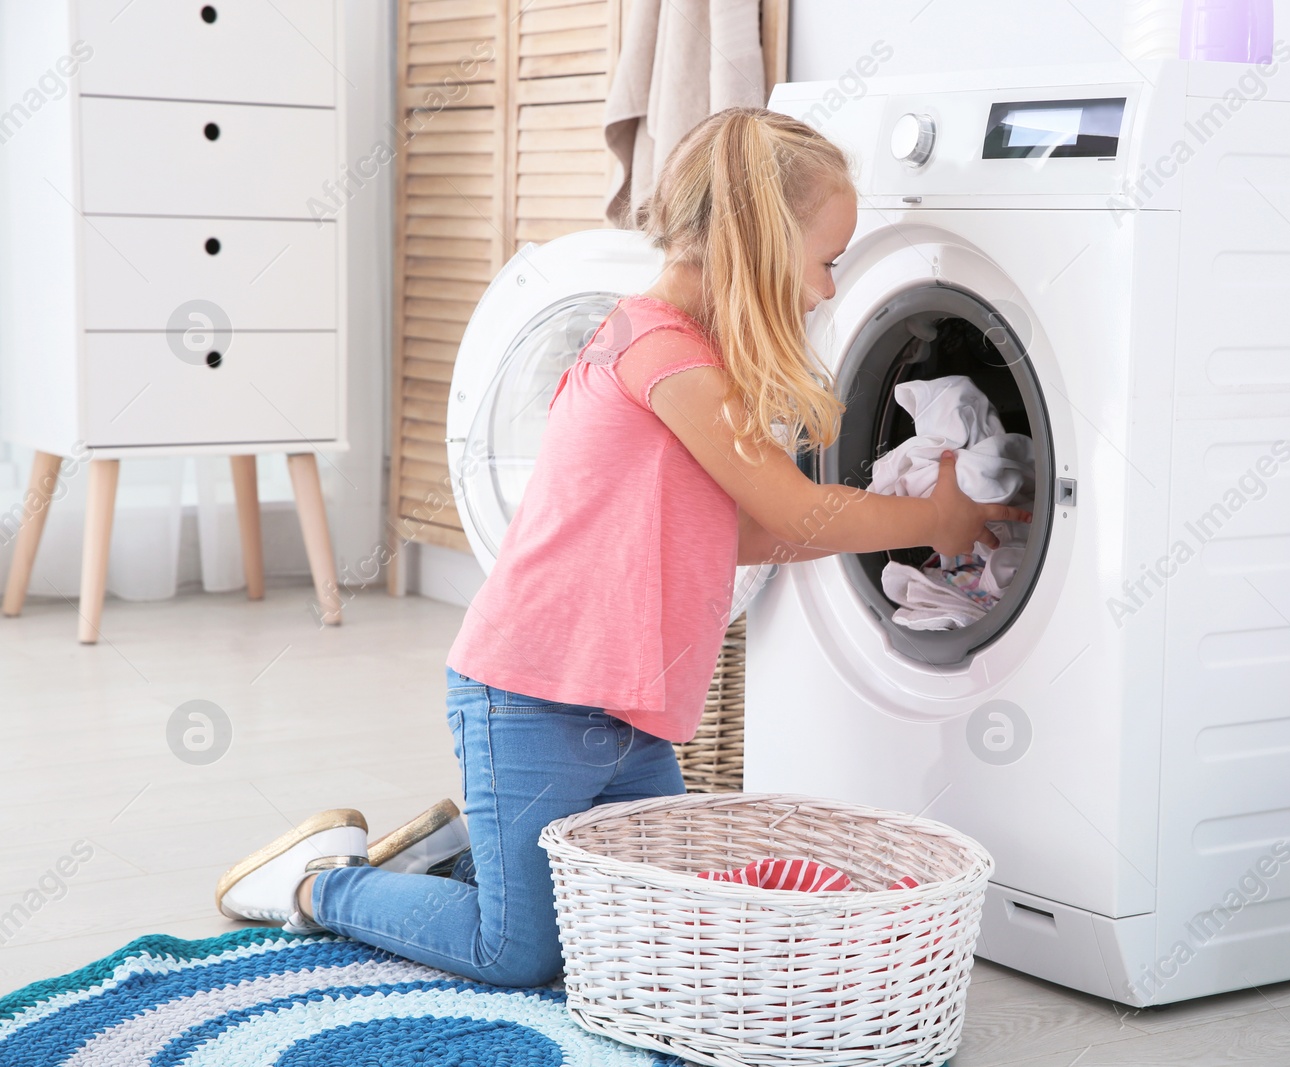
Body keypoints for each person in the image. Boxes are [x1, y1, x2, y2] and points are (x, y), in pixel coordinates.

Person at [213, 107, 1031, 987]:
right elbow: (794, 512)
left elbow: (754, 531)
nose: (829, 290)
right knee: (521, 952)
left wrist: (897, 507)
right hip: (529, 698)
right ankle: (318, 885)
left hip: (628, 721)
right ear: (759, 239)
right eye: (826, 260)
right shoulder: (663, 355)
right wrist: (934, 520)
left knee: (655, 929)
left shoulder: (691, 361)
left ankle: (460, 857)